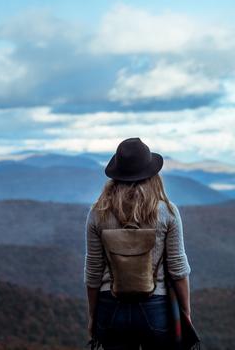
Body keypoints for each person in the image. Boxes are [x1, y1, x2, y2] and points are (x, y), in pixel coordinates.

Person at [84, 137, 192, 350]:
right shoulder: (167, 212)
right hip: (155, 308)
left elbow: (93, 272)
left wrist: (92, 315)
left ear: (116, 176)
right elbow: (178, 269)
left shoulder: (97, 213)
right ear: (152, 175)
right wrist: (186, 312)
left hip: (110, 308)